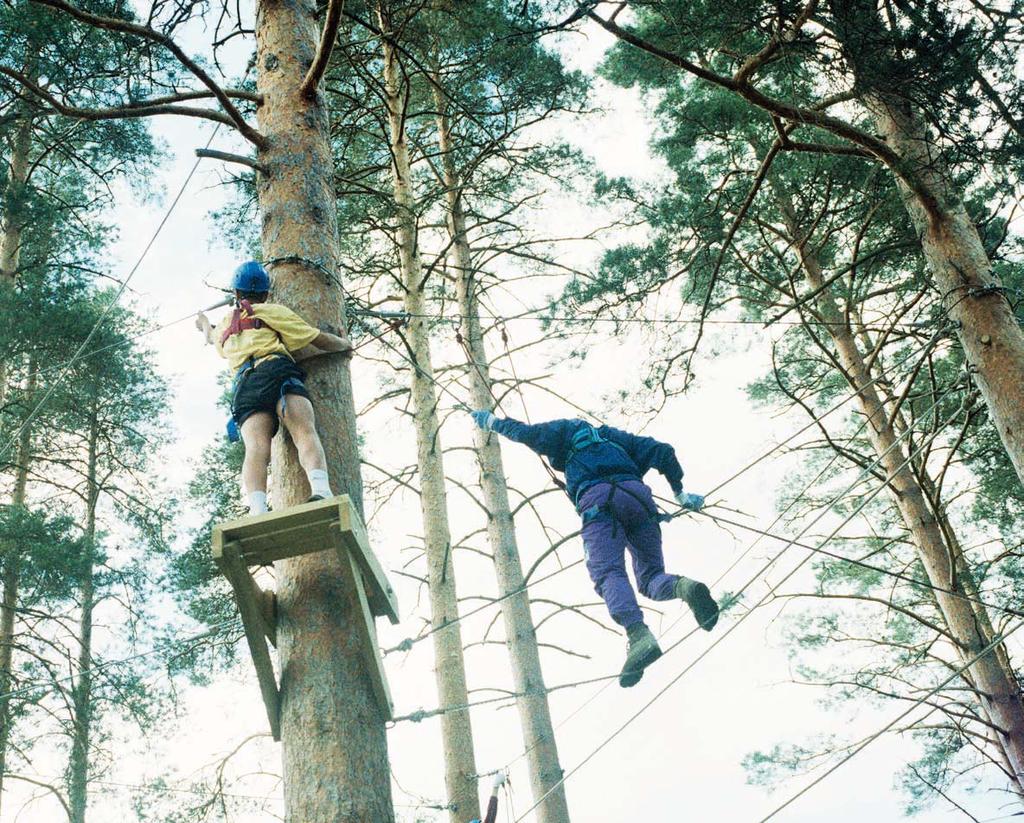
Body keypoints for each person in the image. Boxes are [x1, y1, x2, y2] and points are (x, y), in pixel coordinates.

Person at [470, 411, 719, 687]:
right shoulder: (614, 438)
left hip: (599, 503)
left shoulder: (562, 432)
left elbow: (527, 433)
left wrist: (492, 422)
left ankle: (638, 636)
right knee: (649, 579)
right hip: (640, 500)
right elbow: (662, 451)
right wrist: (680, 494)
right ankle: (686, 588)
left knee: (608, 572)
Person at [195, 261, 352, 516]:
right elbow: (317, 338)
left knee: (256, 448)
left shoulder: (224, 325)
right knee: (304, 432)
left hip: (246, 385)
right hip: (276, 371)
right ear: (266, 294)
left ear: (236, 294)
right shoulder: (271, 312)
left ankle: (257, 510)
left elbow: (209, 336)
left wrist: (203, 322)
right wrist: (343, 344)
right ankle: (321, 490)